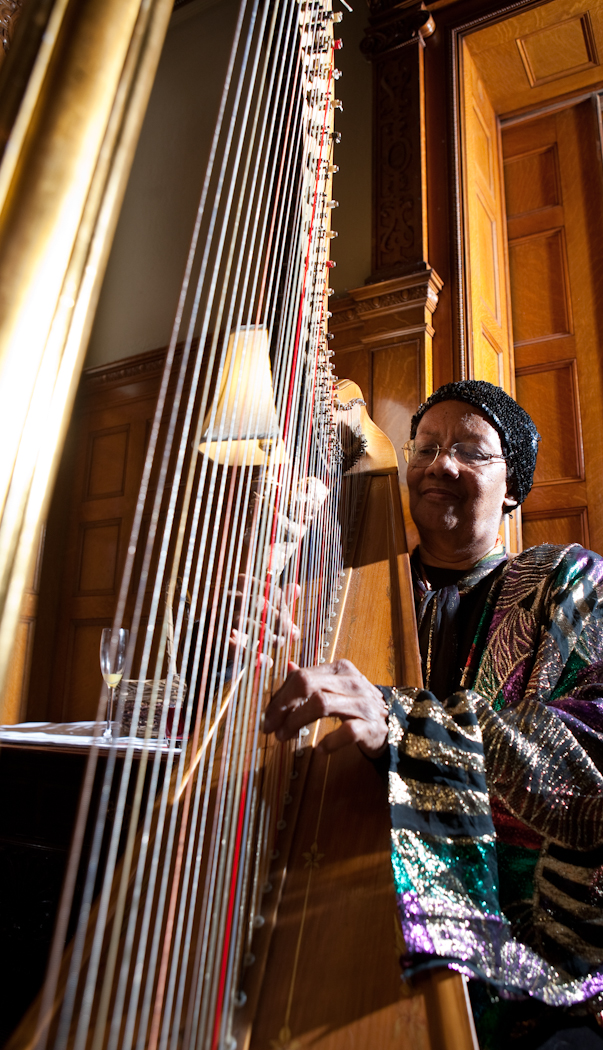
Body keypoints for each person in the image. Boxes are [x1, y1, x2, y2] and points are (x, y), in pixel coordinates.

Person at [264, 380, 603, 1050]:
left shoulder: (567, 583)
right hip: (346, 902)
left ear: (511, 489)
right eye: (425, 447)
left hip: (526, 964)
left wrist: (398, 723)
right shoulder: (342, 592)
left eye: (470, 451)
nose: (440, 464)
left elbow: (590, 752)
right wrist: (259, 639)